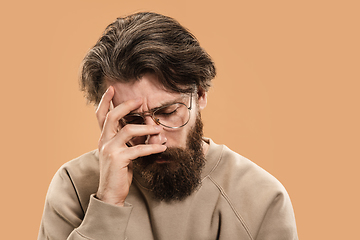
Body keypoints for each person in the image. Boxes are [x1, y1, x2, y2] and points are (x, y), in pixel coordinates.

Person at [38, 12, 298, 240]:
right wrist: (108, 202)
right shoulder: (72, 186)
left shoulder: (262, 198)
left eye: (169, 112)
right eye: (132, 120)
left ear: (200, 94)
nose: (154, 140)